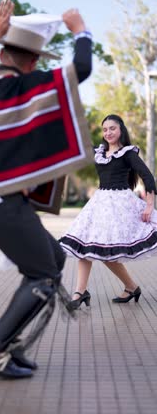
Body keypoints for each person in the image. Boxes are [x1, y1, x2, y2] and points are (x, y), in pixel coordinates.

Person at [0, 0, 93, 380]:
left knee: (53, 261)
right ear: (31, 62)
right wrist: (81, 30)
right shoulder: (23, 87)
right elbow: (81, 69)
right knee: (43, 275)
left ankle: (7, 346)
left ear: (3, 51)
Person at [59, 114, 157, 308]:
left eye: (112, 128)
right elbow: (74, 146)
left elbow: (147, 176)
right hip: (99, 205)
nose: (108, 132)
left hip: (119, 206)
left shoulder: (128, 153)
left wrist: (149, 204)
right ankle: (81, 292)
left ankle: (129, 286)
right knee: (85, 246)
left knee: (103, 251)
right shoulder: (97, 152)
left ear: (121, 130)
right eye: (105, 129)